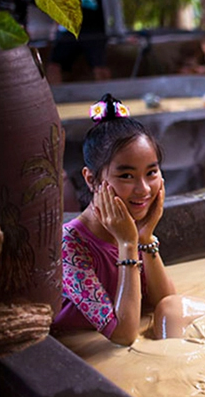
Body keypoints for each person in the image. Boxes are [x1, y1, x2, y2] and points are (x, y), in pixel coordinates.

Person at [52, 94, 176, 345]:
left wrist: (145, 237)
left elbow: (166, 303)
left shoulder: (133, 226)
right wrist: (128, 244)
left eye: (151, 172)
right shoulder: (70, 245)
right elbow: (123, 334)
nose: (144, 189)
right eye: (127, 176)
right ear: (91, 179)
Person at [47, 0, 127, 84]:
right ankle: (55, 94)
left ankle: (106, 94)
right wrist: (55, 30)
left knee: (99, 66)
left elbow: (115, 7)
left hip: (96, 31)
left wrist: (120, 33)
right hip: (72, 30)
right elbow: (60, 5)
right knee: (54, 65)